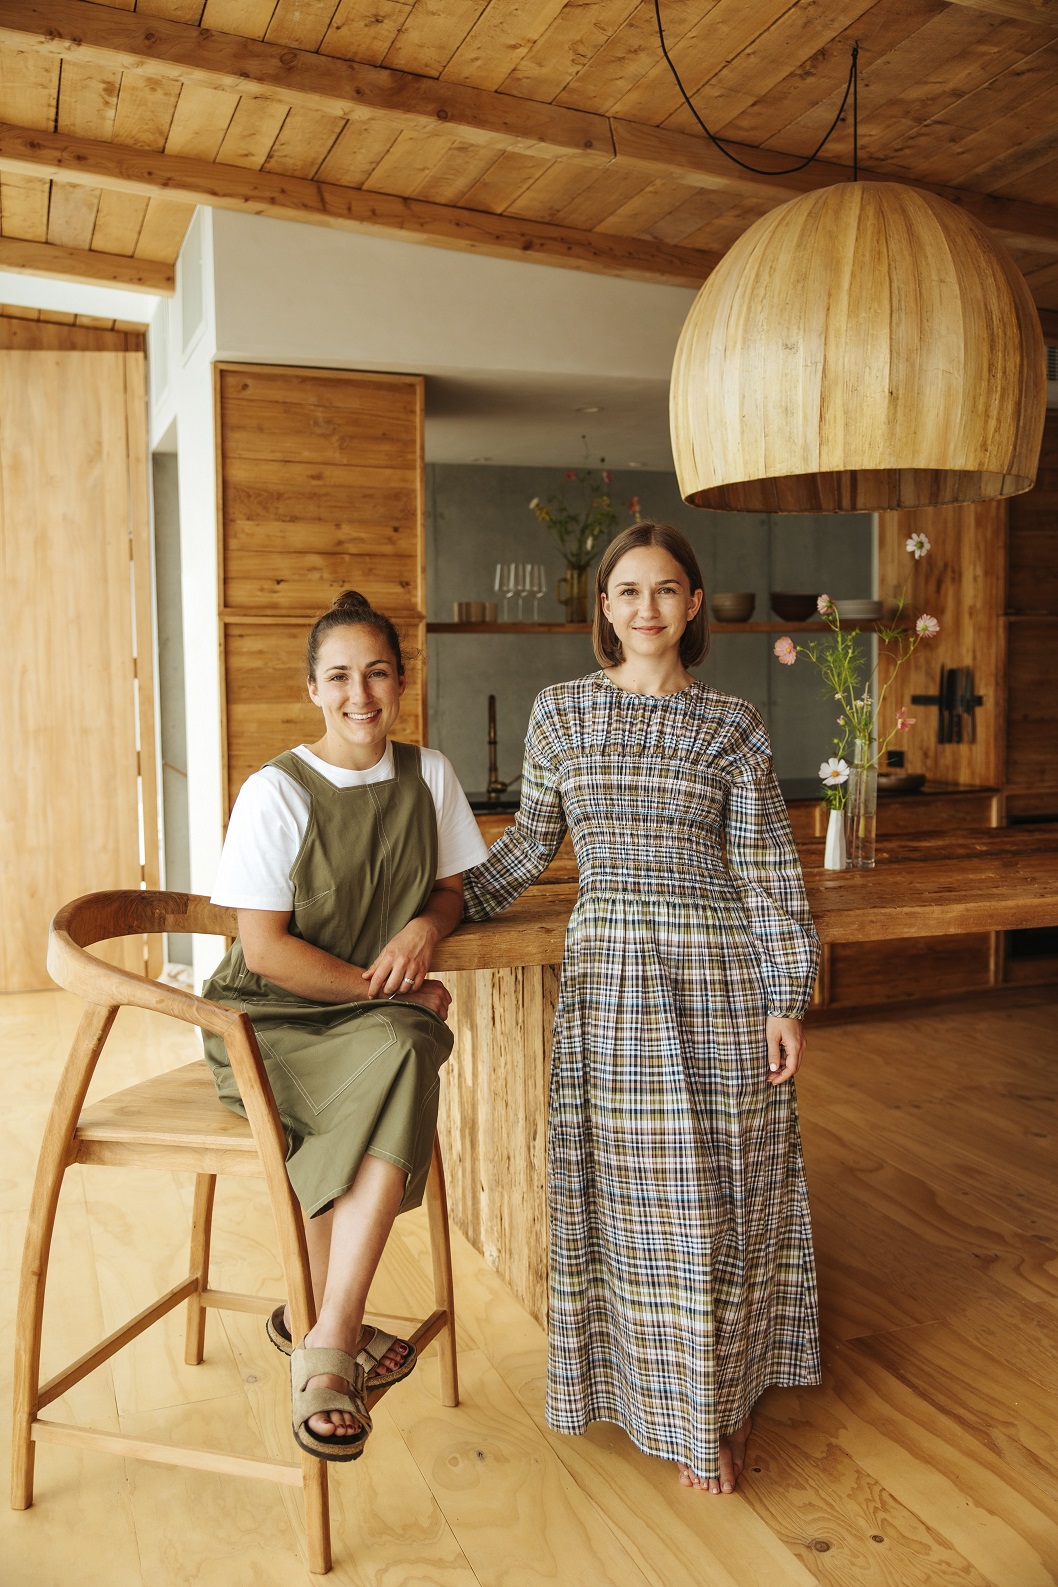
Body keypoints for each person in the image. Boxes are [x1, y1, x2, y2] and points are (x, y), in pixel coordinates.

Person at [463, 522, 821, 1494]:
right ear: (603, 609)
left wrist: (784, 999)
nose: (645, 608)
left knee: (723, 1205)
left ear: (694, 605)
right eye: (626, 591)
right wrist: (438, 904)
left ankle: (715, 1404)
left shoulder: (731, 725)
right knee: (635, 1209)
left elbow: (766, 876)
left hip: (717, 983)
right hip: (612, 988)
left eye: (665, 590)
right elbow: (527, 846)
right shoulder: (559, 714)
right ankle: (657, 1402)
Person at [201, 590, 487, 1462]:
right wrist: (385, 993)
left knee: (404, 1046)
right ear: (313, 690)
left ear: (401, 680)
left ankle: (324, 1331)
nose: (359, 694)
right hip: (268, 1024)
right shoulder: (274, 791)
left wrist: (426, 929)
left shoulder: (429, 774)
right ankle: (335, 1341)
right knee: (406, 1042)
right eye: (339, 677)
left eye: (376, 673)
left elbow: (450, 887)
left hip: (371, 1023)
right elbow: (267, 950)